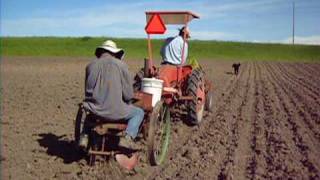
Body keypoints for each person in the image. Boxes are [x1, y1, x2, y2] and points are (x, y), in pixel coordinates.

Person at [80, 40, 144, 148]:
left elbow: (87, 92)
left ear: (101, 52)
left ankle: (84, 136)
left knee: (88, 112)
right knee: (139, 113)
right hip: (116, 112)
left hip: (95, 111)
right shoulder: (122, 66)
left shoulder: (90, 66)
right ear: (114, 53)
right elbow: (128, 95)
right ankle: (128, 137)